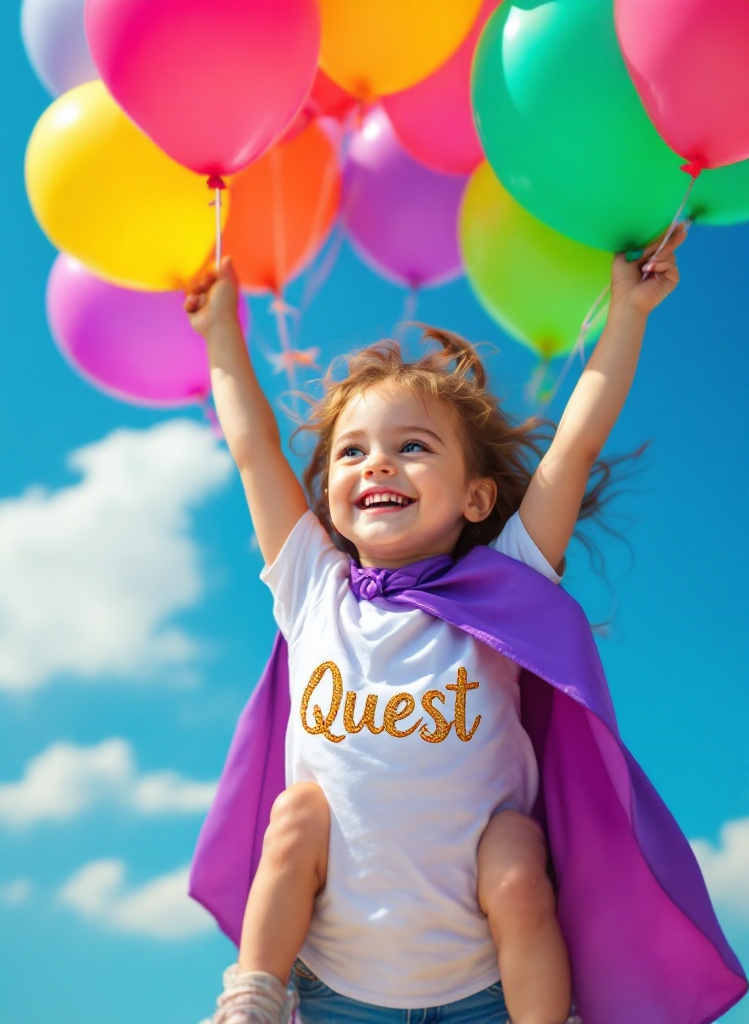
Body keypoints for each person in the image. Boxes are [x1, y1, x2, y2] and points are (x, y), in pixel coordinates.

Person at [185, 225, 688, 1024]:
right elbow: (253, 453)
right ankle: (251, 997)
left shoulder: (508, 581)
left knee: (516, 852)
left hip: (487, 991)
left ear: (477, 499)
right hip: (337, 989)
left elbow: (577, 444)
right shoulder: (316, 586)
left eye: (411, 446)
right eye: (351, 453)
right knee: (298, 813)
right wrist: (220, 333)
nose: (375, 464)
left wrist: (628, 313)